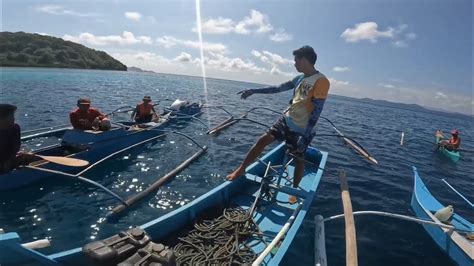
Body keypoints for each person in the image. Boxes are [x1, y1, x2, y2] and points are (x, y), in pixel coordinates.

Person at [226, 45, 330, 204]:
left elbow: (317, 110)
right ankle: (241, 169)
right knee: (262, 140)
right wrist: (254, 90)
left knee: (299, 158)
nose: (294, 64)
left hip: (302, 129)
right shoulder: (300, 78)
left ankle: (294, 190)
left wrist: (306, 135)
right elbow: (277, 88)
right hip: (287, 120)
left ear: (304, 60)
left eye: (296, 61)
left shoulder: (321, 81)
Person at [0, 104, 21, 173]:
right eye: (11, 116)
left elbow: (15, 148)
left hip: (8, 161)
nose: (14, 119)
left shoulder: (15, 128)